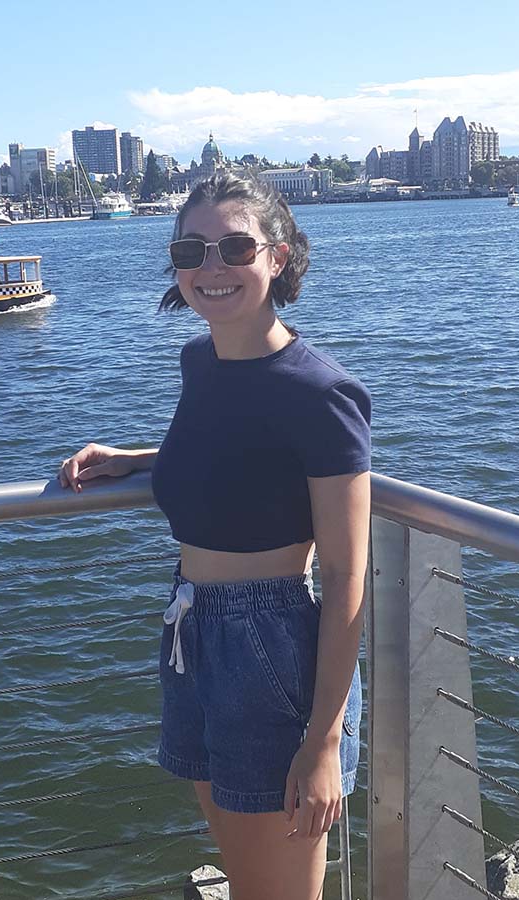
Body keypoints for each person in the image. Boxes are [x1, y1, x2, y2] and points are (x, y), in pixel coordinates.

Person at [58, 172, 370, 900]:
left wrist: (323, 741)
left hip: (272, 647)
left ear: (278, 256)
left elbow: (349, 576)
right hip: (191, 628)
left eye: (235, 246)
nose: (211, 266)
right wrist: (134, 460)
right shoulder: (201, 363)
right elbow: (231, 456)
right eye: (191, 249)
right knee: (244, 874)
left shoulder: (321, 394)